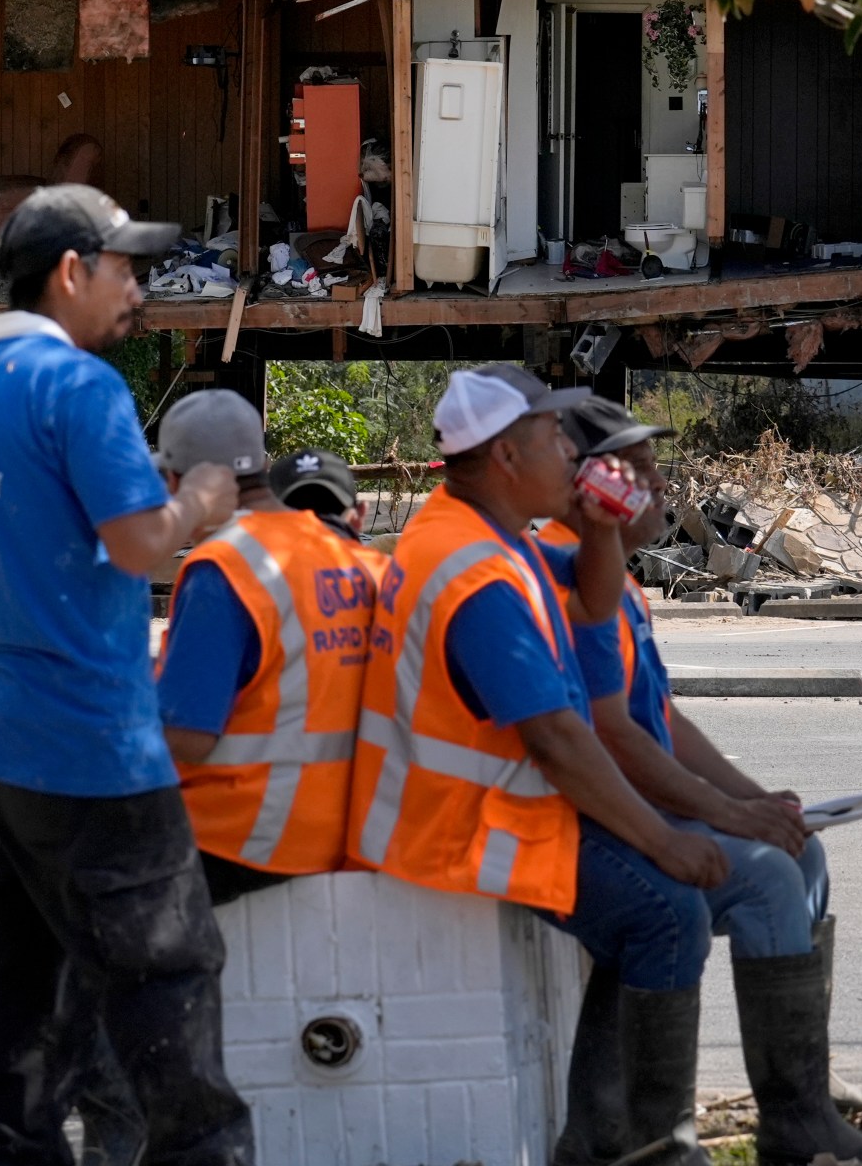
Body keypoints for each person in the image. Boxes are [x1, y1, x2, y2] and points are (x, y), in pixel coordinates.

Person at [0, 183, 252, 1166]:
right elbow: (142, 545)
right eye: (125, 268)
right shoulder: (82, 389)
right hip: (95, 741)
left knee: (17, 990)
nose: (135, 289)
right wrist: (199, 501)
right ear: (70, 273)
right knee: (166, 979)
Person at [349, 366, 731, 1166]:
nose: (573, 455)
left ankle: (606, 1142)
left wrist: (596, 526)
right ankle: (632, 1149)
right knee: (665, 912)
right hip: (469, 823)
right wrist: (663, 842)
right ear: (508, 457)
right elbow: (559, 740)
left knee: (663, 902)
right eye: (556, 441)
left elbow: (592, 605)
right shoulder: (476, 570)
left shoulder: (493, 534)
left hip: (494, 803)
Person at [546, 395, 862, 1166]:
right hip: (587, 823)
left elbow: (662, 720)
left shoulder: (616, 576)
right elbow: (612, 736)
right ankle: (784, 1125)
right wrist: (732, 816)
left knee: (800, 853)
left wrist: (754, 799)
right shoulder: (576, 572)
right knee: (766, 879)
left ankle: (801, 1101)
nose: (660, 487)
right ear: (594, 484)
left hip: (628, 808)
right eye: (638, 473)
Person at [155, 392, 380, 906]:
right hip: (349, 831)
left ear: (181, 482)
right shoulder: (356, 559)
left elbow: (185, 736)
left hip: (241, 839)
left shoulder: (226, 568)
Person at [269, 448, 366, 539]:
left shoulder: (259, 553)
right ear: (359, 515)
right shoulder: (371, 557)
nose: (312, 523)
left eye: (328, 511)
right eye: (297, 510)